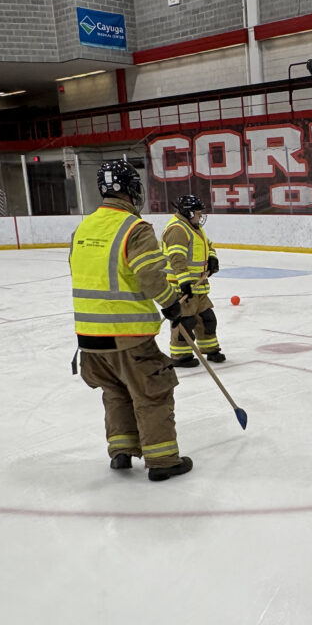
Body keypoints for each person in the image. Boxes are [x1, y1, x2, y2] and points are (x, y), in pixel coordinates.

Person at [69, 160, 195, 482]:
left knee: (115, 393)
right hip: (128, 335)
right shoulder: (134, 228)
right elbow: (150, 276)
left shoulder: (82, 229)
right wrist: (171, 304)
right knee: (152, 393)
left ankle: (121, 451)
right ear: (130, 190)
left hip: (89, 339)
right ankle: (162, 460)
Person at [161, 194, 224, 368]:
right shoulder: (177, 230)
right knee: (185, 323)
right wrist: (184, 283)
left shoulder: (194, 227)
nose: (201, 216)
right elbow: (177, 259)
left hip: (199, 286)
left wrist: (212, 258)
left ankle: (210, 349)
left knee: (207, 318)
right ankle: (181, 356)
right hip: (182, 288)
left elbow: (207, 245)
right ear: (188, 213)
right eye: (198, 213)